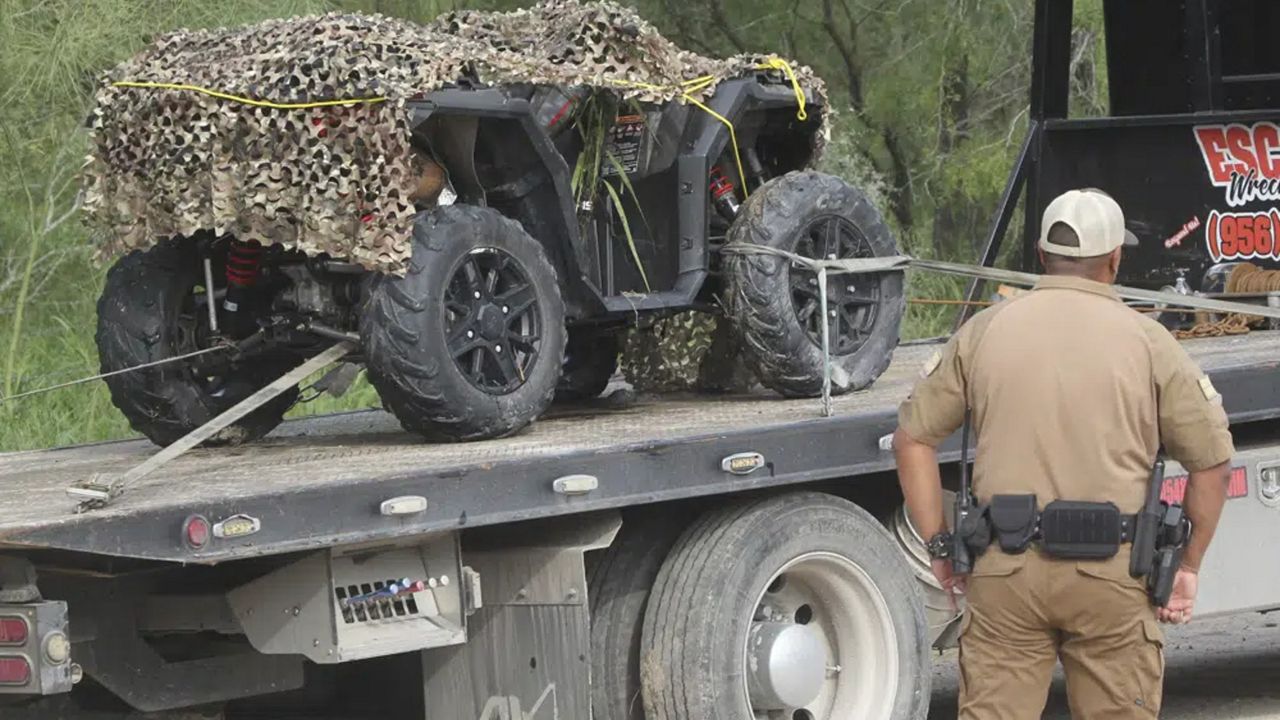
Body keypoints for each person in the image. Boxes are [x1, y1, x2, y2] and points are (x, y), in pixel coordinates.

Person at [893, 188, 1234, 719]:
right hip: (1113, 576)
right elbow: (1211, 462)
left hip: (1004, 570)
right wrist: (1187, 566)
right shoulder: (1149, 342)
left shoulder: (983, 331)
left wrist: (941, 547)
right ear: (1116, 258)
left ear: (1040, 253)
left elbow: (912, 439)